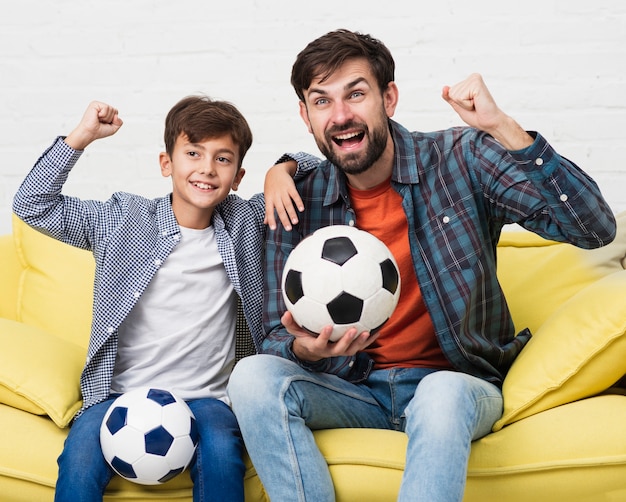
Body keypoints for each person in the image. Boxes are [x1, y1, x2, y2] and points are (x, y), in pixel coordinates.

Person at [227, 29, 616, 502]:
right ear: (306, 117)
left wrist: (503, 128)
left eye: (356, 93)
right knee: (250, 377)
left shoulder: (461, 158)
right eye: (322, 101)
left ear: (388, 98)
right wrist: (307, 353)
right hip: (353, 389)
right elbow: (273, 336)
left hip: (455, 386)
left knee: (440, 394)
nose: (341, 114)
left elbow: (593, 228)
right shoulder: (295, 199)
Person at [12, 96, 316, 502]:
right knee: (79, 462)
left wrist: (282, 169)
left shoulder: (244, 222)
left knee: (224, 457)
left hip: (209, 399)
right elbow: (32, 205)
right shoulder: (122, 219)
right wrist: (80, 138)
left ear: (239, 176)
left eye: (223, 159)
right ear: (165, 164)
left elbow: (322, 167)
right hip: (122, 394)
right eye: (193, 153)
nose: (207, 168)